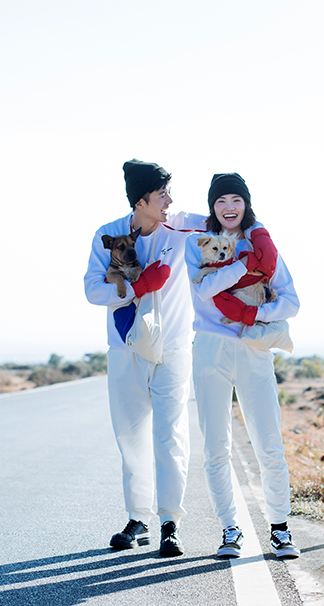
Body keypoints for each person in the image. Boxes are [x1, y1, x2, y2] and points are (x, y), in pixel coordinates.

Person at [84, 159, 205, 557]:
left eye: (169, 194)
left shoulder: (182, 228)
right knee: (130, 436)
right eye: (161, 195)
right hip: (126, 348)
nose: (169, 201)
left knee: (171, 436)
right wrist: (138, 287)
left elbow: (225, 222)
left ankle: (170, 523)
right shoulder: (109, 235)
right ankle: (138, 519)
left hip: (173, 349)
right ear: (140, 201)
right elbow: (93, 290)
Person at [185, 172, 302, 559]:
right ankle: (229, 529)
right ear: (212, 207)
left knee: (269, 442)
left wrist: (255, 314)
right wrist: (242, 267)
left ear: (246, 203)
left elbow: (291, 303)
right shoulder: (199, 243)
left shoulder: (263, 246)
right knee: (215, 446)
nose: (228, 207)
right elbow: (203, 289)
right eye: (220, 201)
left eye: (235, 199)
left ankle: (280, 529)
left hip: (253, 346)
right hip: (210, 348)